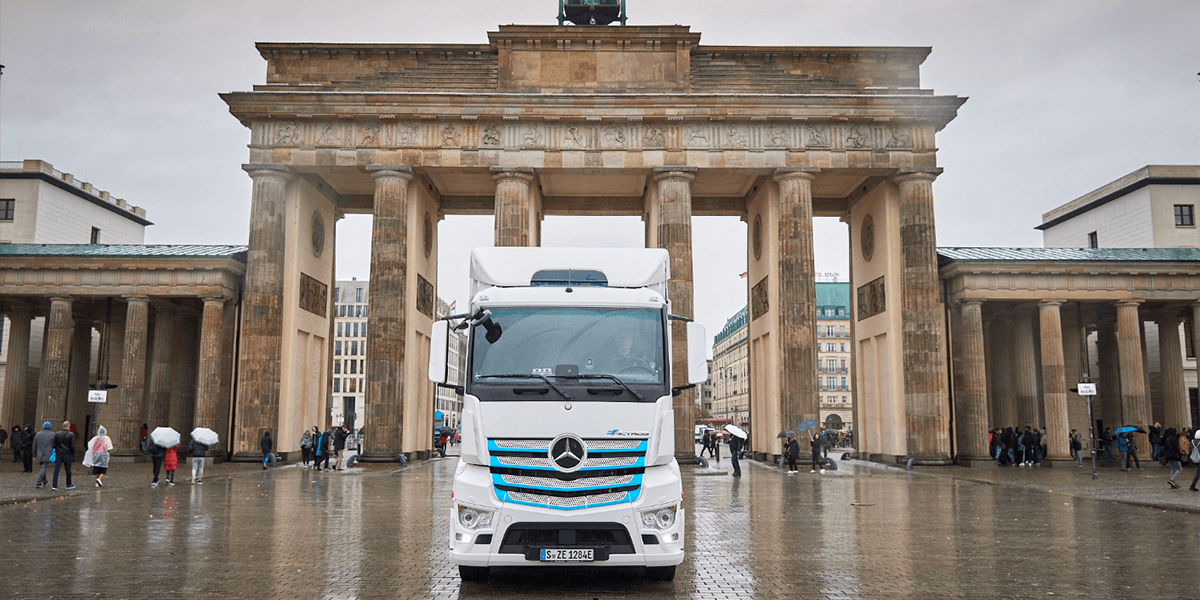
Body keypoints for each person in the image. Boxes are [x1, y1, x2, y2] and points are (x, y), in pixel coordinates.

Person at [52, 421, 75, 490]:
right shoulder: (71, 434)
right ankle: (68, 484)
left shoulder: (57, 434)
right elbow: (72, 446)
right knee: (68, 470)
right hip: (67, 454)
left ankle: (54, 485)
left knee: (56, 470)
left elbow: (54, 444)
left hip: (59, 453)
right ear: (68, 426)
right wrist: (72, 454)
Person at [32, 421, 55, 489]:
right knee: (43, 468)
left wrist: (34, 455)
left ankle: (45, 481)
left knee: (42, 467)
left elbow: (34, 446)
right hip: (48, 454)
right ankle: (38, 483)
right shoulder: (53, 435)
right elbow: (55, 445)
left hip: (39, 454)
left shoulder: (38, 434)